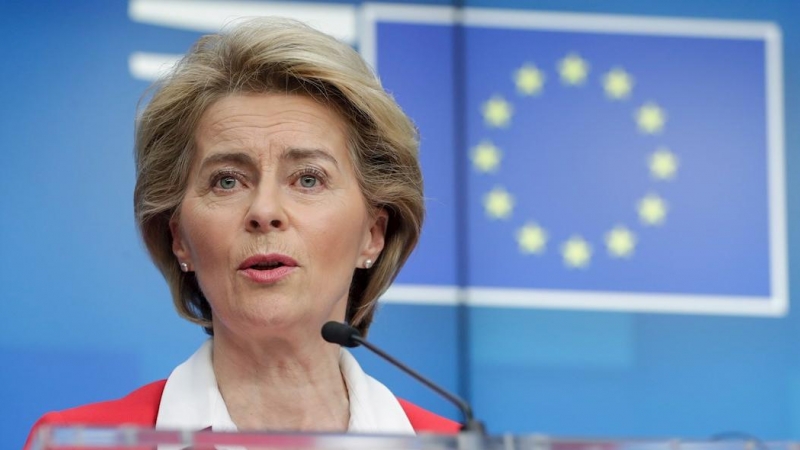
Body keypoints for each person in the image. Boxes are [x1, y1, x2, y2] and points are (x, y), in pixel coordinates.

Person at [24, 16, 459, 448]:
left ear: (373, 234)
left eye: (308, 178)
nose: (265, 211)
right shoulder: (84, 442)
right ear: (179, 239)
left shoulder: (452, 444)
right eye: (227, 181)